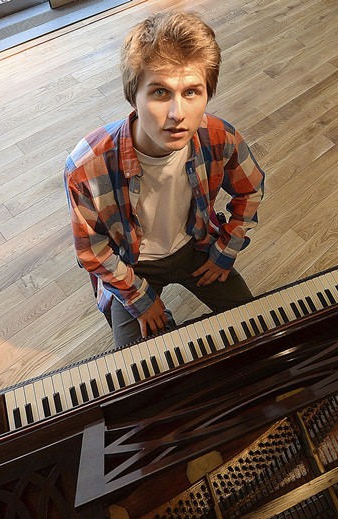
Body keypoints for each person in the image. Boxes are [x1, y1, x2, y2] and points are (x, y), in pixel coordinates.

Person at [64, 11, 265, 348]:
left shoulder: (220, 136)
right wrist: (138, 298)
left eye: (191, 92)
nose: (178, 114)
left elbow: (252, 189)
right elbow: (93, 249)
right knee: (143, 367)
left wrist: (225, 250)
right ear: (133, 96)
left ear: (207, 94)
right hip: (133, 265)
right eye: (159, 92)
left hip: (197, 246)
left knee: (257, 330)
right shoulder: (87, 166)